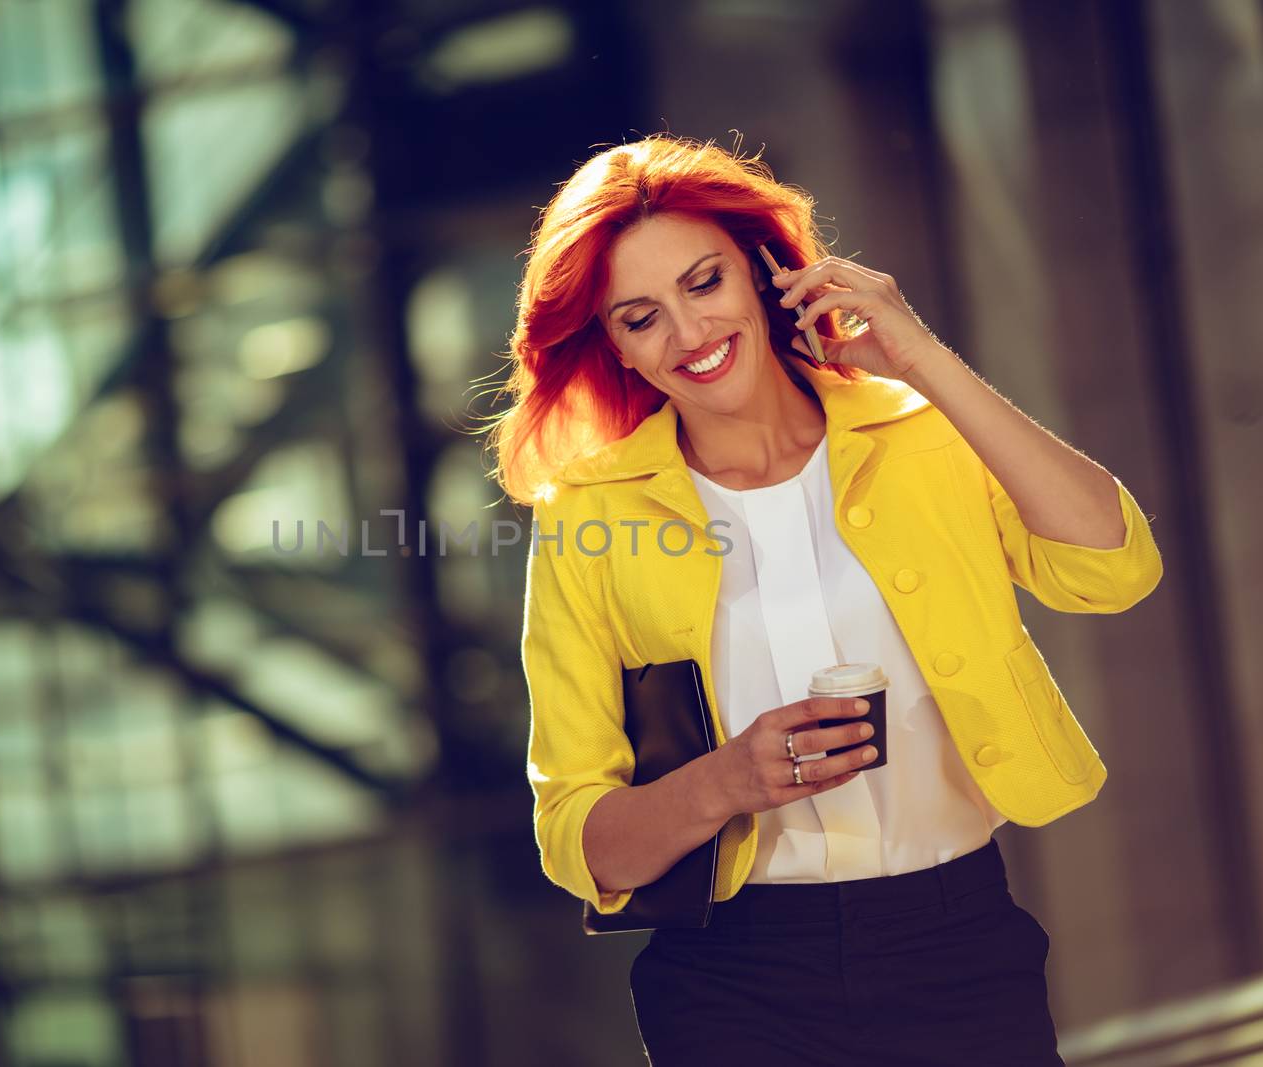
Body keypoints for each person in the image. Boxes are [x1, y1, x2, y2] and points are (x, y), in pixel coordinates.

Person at [484, 135, 1163, 1065]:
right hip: (734, 981)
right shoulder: (587, 518)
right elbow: (580, 843)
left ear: (764, 274)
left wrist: (919, 359)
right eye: (640, 317)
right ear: (616, 347)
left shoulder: (917, 434)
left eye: (704, 282)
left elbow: (1112, 565)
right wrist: (731, 779)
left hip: (959, 938)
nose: (688, 334)